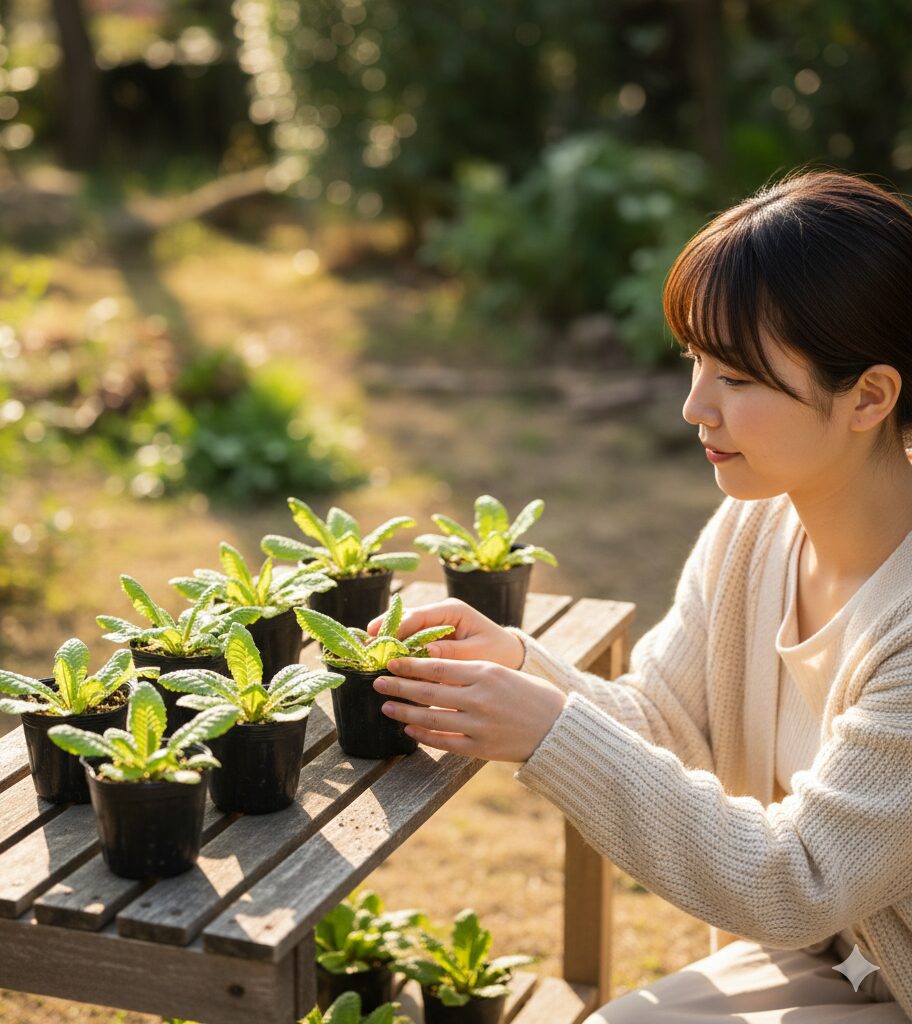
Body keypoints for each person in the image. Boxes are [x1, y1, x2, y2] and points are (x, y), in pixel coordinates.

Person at [368, 169, 912, 1022]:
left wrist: (547, 730)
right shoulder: (753, 530)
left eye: (738, 377)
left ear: (869, 396)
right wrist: (522, 668)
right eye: (696, 362)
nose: (695, 406)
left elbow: (799, 879)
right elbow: (667, 722)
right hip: (837, 959)